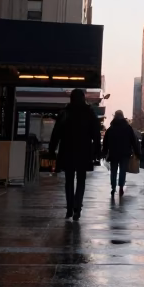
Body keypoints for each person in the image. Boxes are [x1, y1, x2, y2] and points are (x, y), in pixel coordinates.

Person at [49, 88, 101, 221]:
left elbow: (56, 133)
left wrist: (51, 150)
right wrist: (97, 150)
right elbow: (96, 133)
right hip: (83, 150)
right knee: (81, 180)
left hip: (67, 150)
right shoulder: (89, 112)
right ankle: (77, 207)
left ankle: (69, 208)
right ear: (83, 98)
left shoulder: (65, 113)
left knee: (69, 180)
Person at [102, 110, 140, 199]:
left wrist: (104, 153)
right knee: (123, 170)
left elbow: (105, 142)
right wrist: (137, 153)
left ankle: (113, 187)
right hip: (125, 153)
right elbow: (133, 141)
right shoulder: (128, 128)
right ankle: (121, 187)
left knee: (113, 171)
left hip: (113, 153)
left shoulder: (110, 129)